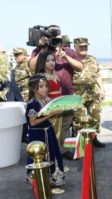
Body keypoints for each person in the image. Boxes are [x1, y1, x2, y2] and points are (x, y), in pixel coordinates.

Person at [29, 25, 83, 160]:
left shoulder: (68, 51)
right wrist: (42, 49)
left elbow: (80, 67)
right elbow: (32, 66)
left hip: (66, 96)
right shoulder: (40, 50)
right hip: (47, 100)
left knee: (65, 126)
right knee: (49, 127)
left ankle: (62, 151)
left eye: (56, 35)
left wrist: (66, 57)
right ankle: (48, 153)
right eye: (51, 35)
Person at [25, 74, 65, 192]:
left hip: (48, 132)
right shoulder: (32, 104)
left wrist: (50, 103)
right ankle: (39, 183)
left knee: (52, 155)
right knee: (40, 158)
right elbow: (32, 123)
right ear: (33, 89)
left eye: (46, 86)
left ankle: (51, 179)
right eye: (41, 86)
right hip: (38, 135)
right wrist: (49, 116)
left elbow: (53, 106)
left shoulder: (43, 100)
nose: (45, 89)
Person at [72, 37, 105, 148]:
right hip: (77, 94)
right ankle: (78, 141)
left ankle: (93, 138)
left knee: (95, 116)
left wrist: (101, 88)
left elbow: (98, 75)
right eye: (81, 46)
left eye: (85, 46)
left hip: (92, 93)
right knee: (78, 118)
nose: (83, 48)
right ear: (75, 47)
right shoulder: (71, 59)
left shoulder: (92, 59)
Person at [35, 51, 63, 148]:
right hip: (49, 108)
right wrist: (53, 104)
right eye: (47, 61)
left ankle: (56, 153)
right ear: (43, 62)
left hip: (59, 107)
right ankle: (49, 154)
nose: (51, 63)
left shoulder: (55, 74)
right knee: (50, 131)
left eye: (53, 60)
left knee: (58, 132)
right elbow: (41, 94)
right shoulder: (42, 76)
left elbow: (59, 91)